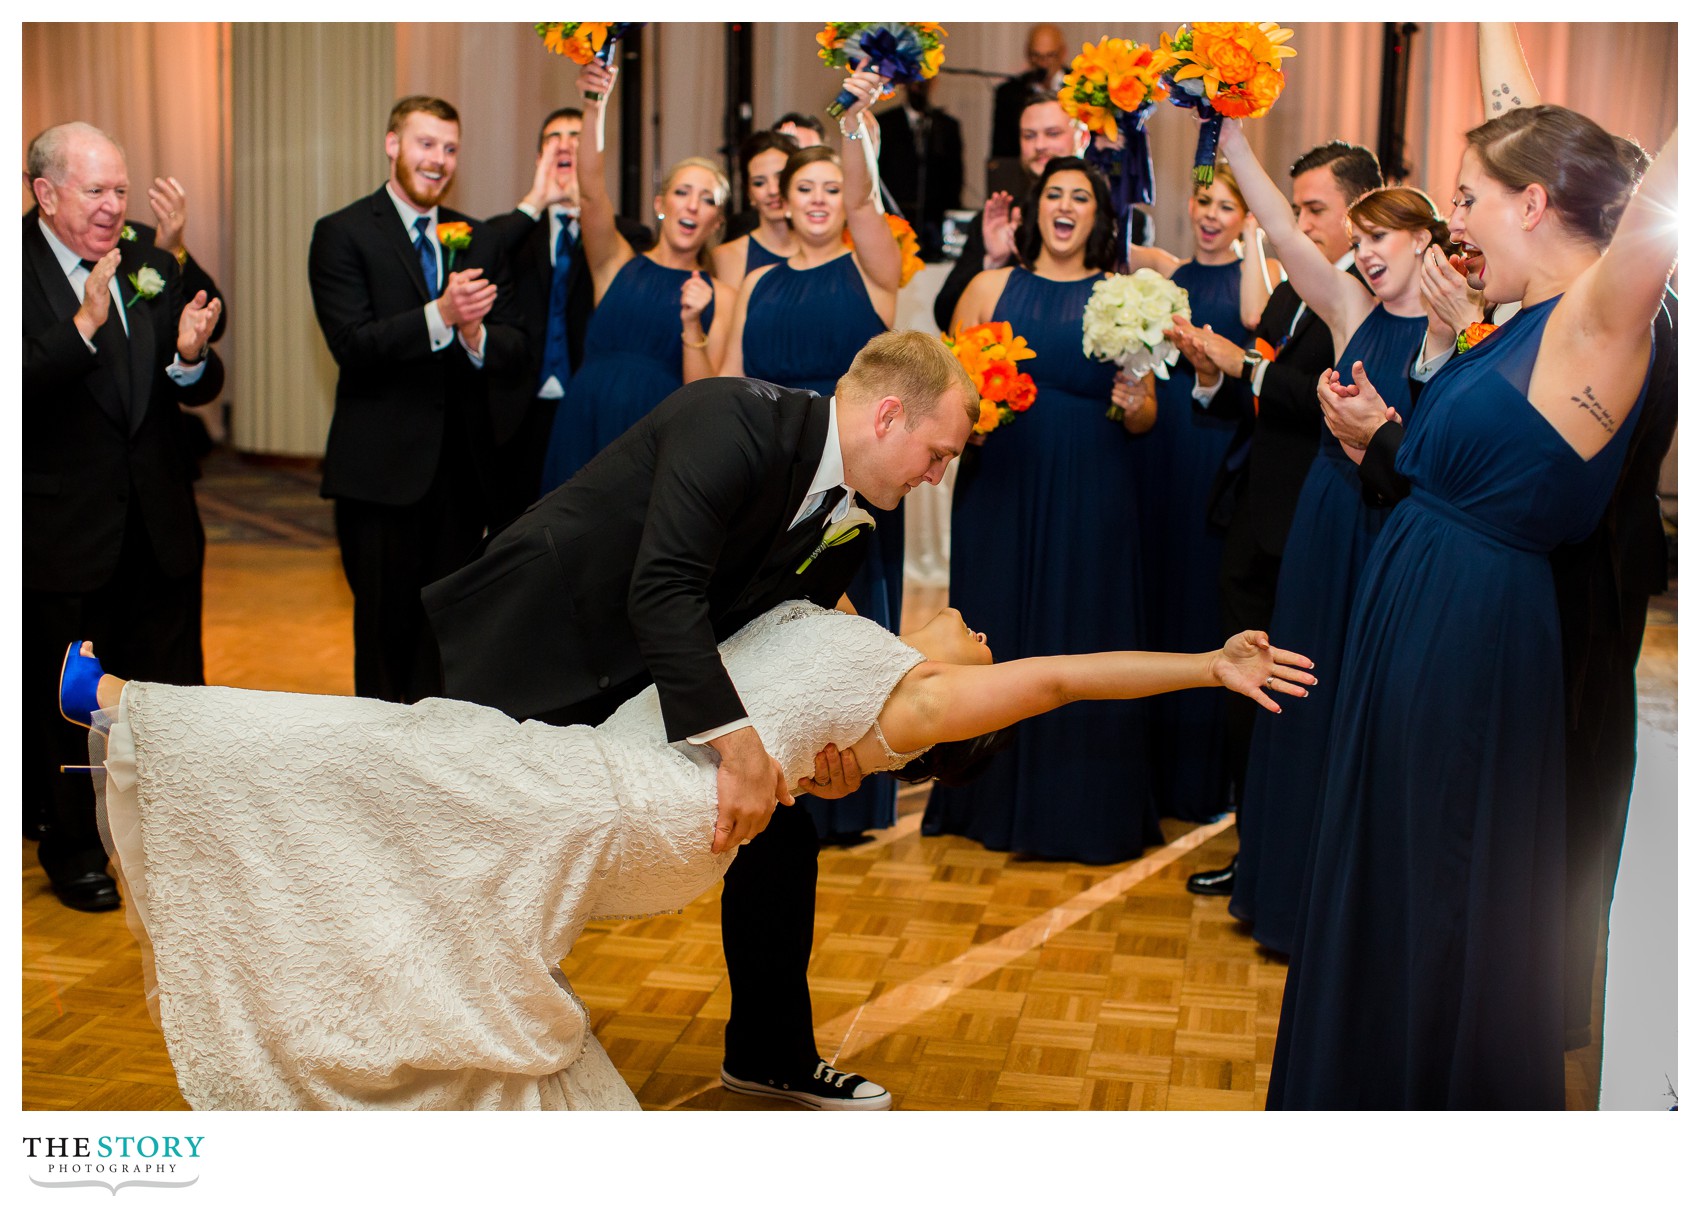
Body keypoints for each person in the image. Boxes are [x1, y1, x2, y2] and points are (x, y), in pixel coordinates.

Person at [67, 600, 1313, 1110]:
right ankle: (168, 758)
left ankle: (137, 709)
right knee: (419, 767)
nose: (982, 628)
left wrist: (1205, 666)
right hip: (621, 776)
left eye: (981, 647)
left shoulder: (921, 696)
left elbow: (1053, 681)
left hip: (652, 808)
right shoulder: (846, 622)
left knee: (401, 753)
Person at [423, 330, 976, 1110]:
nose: (937, 475)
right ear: (888, 416)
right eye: (938, 453)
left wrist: (825, 749)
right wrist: (742, 749)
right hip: (533, 647)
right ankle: (443, 1050)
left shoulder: (851, 519)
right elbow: (664, 590)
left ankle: (769, 1054)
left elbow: (782, 640)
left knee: (782, 841)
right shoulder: (730, 418)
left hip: (655, 671)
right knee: (481, 852)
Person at [1267, 106, 1676, 1109]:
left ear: (1531, 202)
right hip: (1417, 623)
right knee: (1394, 872)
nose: (1450, 221)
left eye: (1465, 197)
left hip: (1472, 643)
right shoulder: (1511, 326)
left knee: (1441, 880)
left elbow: (1664, 194)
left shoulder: (1594, 318)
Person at [1202, 118, 1447, 954]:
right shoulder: (1349, 308)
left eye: (1384, 237)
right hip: (1325, 519)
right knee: (1301, 692)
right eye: (1362, 235)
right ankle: (1284, 888)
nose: (1367, 251)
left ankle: (1350, 910)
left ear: (1426, 242)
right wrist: (1231, 143)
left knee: (1362, 706)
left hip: (1392, 534)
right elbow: (1277, 228)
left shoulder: (1465, 331)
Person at [922, 156, 1163, 864]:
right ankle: (981, 797)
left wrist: (1135, 403)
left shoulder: (1123, 294)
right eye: (1053, 193)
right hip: (1002, 481)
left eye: (1079, 196)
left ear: (1098, 215)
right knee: (996, 628)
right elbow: (948, 394)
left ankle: (1082, 808)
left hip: (1094, 482)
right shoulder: (988, 287)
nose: (1065, 205)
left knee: (1082, 626)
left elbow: (1146, 416)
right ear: (1033, 210)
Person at [1166, 139, 1382, 897]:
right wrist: (1210, 379)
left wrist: (1246, 366)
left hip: (1320, 527)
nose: (1302, 223)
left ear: (1361, 211)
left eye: (1313, 209)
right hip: (1254, 516)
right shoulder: (1294, 295)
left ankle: (1297, 864)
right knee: (1243, 696)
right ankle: (1252, 849)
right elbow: (1263, 403)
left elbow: (1325, 398)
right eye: (1298, 209)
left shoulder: (1377, 299)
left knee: (1297, 697)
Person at [23, 121, 224, 912]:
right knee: (72, 702)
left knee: (171, 697)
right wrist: (81, 330)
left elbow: (196, 377)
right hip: (64, 533)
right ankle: (74, 849)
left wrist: (189, 356)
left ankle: (175, 841)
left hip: (160, 525)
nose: (115, 208)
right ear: (45, 192)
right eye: (96, 191)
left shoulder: (145, 256)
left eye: (120, 189)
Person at [720, 69, 908, 846]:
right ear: (785, 202)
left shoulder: (872, 267)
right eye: (808, 189)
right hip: (774, 476)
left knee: (852, 626)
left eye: (833, 188)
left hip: (858, 472)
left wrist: (856, 121)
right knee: (776, 626)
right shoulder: (755, 281)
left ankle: (855, 790)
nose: (823, 199)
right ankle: (780, 774)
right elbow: (729, 379)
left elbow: (865, 200)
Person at [307, 96, 525, 704]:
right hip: (378, 477)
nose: (439, 161)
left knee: (448, 633)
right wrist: (440, 315)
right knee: (384, 632)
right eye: (427, 144)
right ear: (393, 144)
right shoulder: (343, 233)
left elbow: (517, 348)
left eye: (450, 149)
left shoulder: (478, 238)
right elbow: (352, 344)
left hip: (461, 479)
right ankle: (377, 772)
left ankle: (434, 768)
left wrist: (477, 334)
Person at [1123, 160, 1265, 826]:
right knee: (1160, 593)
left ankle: (1208, 779)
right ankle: (1149, 769)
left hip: (1219, 451)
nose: (1209, 215)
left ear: (1247, 220)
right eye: (1202, 200)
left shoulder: (1255, 288)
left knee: (1206, 603)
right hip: (1163, 447)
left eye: (1225, 207)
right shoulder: (1168, 281)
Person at [537, 60, 733, 493]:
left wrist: (691, 323)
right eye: (682, 193)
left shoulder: (721, 294)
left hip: (654, 436)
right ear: (662, 203)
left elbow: (703, 395)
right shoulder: (615, 261)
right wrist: (594, 106)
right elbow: (590, 190)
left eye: (707, 200)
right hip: (583, 419)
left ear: (716, 221)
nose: (692, 206)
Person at [483, 106, 657, 530]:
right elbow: (475, 265)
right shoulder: (508, 234)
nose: (564, 143)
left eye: (576, 136)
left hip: (589, 405)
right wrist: (533, 203)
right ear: (539, 157)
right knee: (512, 533)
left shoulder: (629, 237)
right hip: (517, 414)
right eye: (553, 137)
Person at [933, 91, 1086, 332]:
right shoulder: (995, 221)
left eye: (1053, 133)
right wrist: (993, 261)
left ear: (1083, 137)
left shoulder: (1119, 220)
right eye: (1029, 136)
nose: (1040, 145)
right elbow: (945, 314)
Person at [875, 77, 964, 260]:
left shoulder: (946, 126)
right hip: (894, 221)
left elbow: (955, 179)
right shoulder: (885, 123)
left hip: (934, 227)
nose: (917, 87)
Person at [712, 129, 799, 293]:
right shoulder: (727, 255)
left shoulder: (821, 248)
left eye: (780, 178)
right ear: (749, 194)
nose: (773, 190)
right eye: (759, 183)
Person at [990, 24, 1067, 157]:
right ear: (1027, 54)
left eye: (1050, 56)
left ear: (1063, 53)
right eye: (1036, 56)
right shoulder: (1009, 93)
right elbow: (1002, 154)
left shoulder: (1080, 88)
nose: (1042, 63)